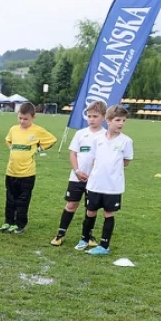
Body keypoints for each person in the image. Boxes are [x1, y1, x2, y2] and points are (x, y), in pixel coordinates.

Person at [78, 105, 133, 255]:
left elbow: (126, 161)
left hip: (113, 186)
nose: (121, 123)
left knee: (109, 214)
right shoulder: (97, 139)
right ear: (108, 121)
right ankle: (84, 238)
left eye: (123, 120)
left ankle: (104, 245)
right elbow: (94, 158)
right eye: (118, 120)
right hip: (95, 184)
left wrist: (112, 166)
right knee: (90, 212)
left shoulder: (126, 141)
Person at [51, 101, 107, 247]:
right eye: (89, 116)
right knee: (71, 204)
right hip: (77, 176)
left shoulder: (106, 136)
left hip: (95, 180)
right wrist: (77, 171)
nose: (91, 119)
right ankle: (61, 234)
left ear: (104, 117)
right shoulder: (81, 134)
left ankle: (87, 236)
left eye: (95, 116)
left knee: (91, 209)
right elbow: (73, 154)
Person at [1, 102, 57, 234]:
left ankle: (20, 224)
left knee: (22, 200)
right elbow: (8, 140)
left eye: (25, 119)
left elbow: (52, 139)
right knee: (10, 199)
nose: (22, 121)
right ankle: (8, 222)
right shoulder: (13, 129)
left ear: (33, 117)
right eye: (20, 118)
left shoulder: (37, 130)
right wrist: (12, 149)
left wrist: (39, 148)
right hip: (11, 171)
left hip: (27, 173)